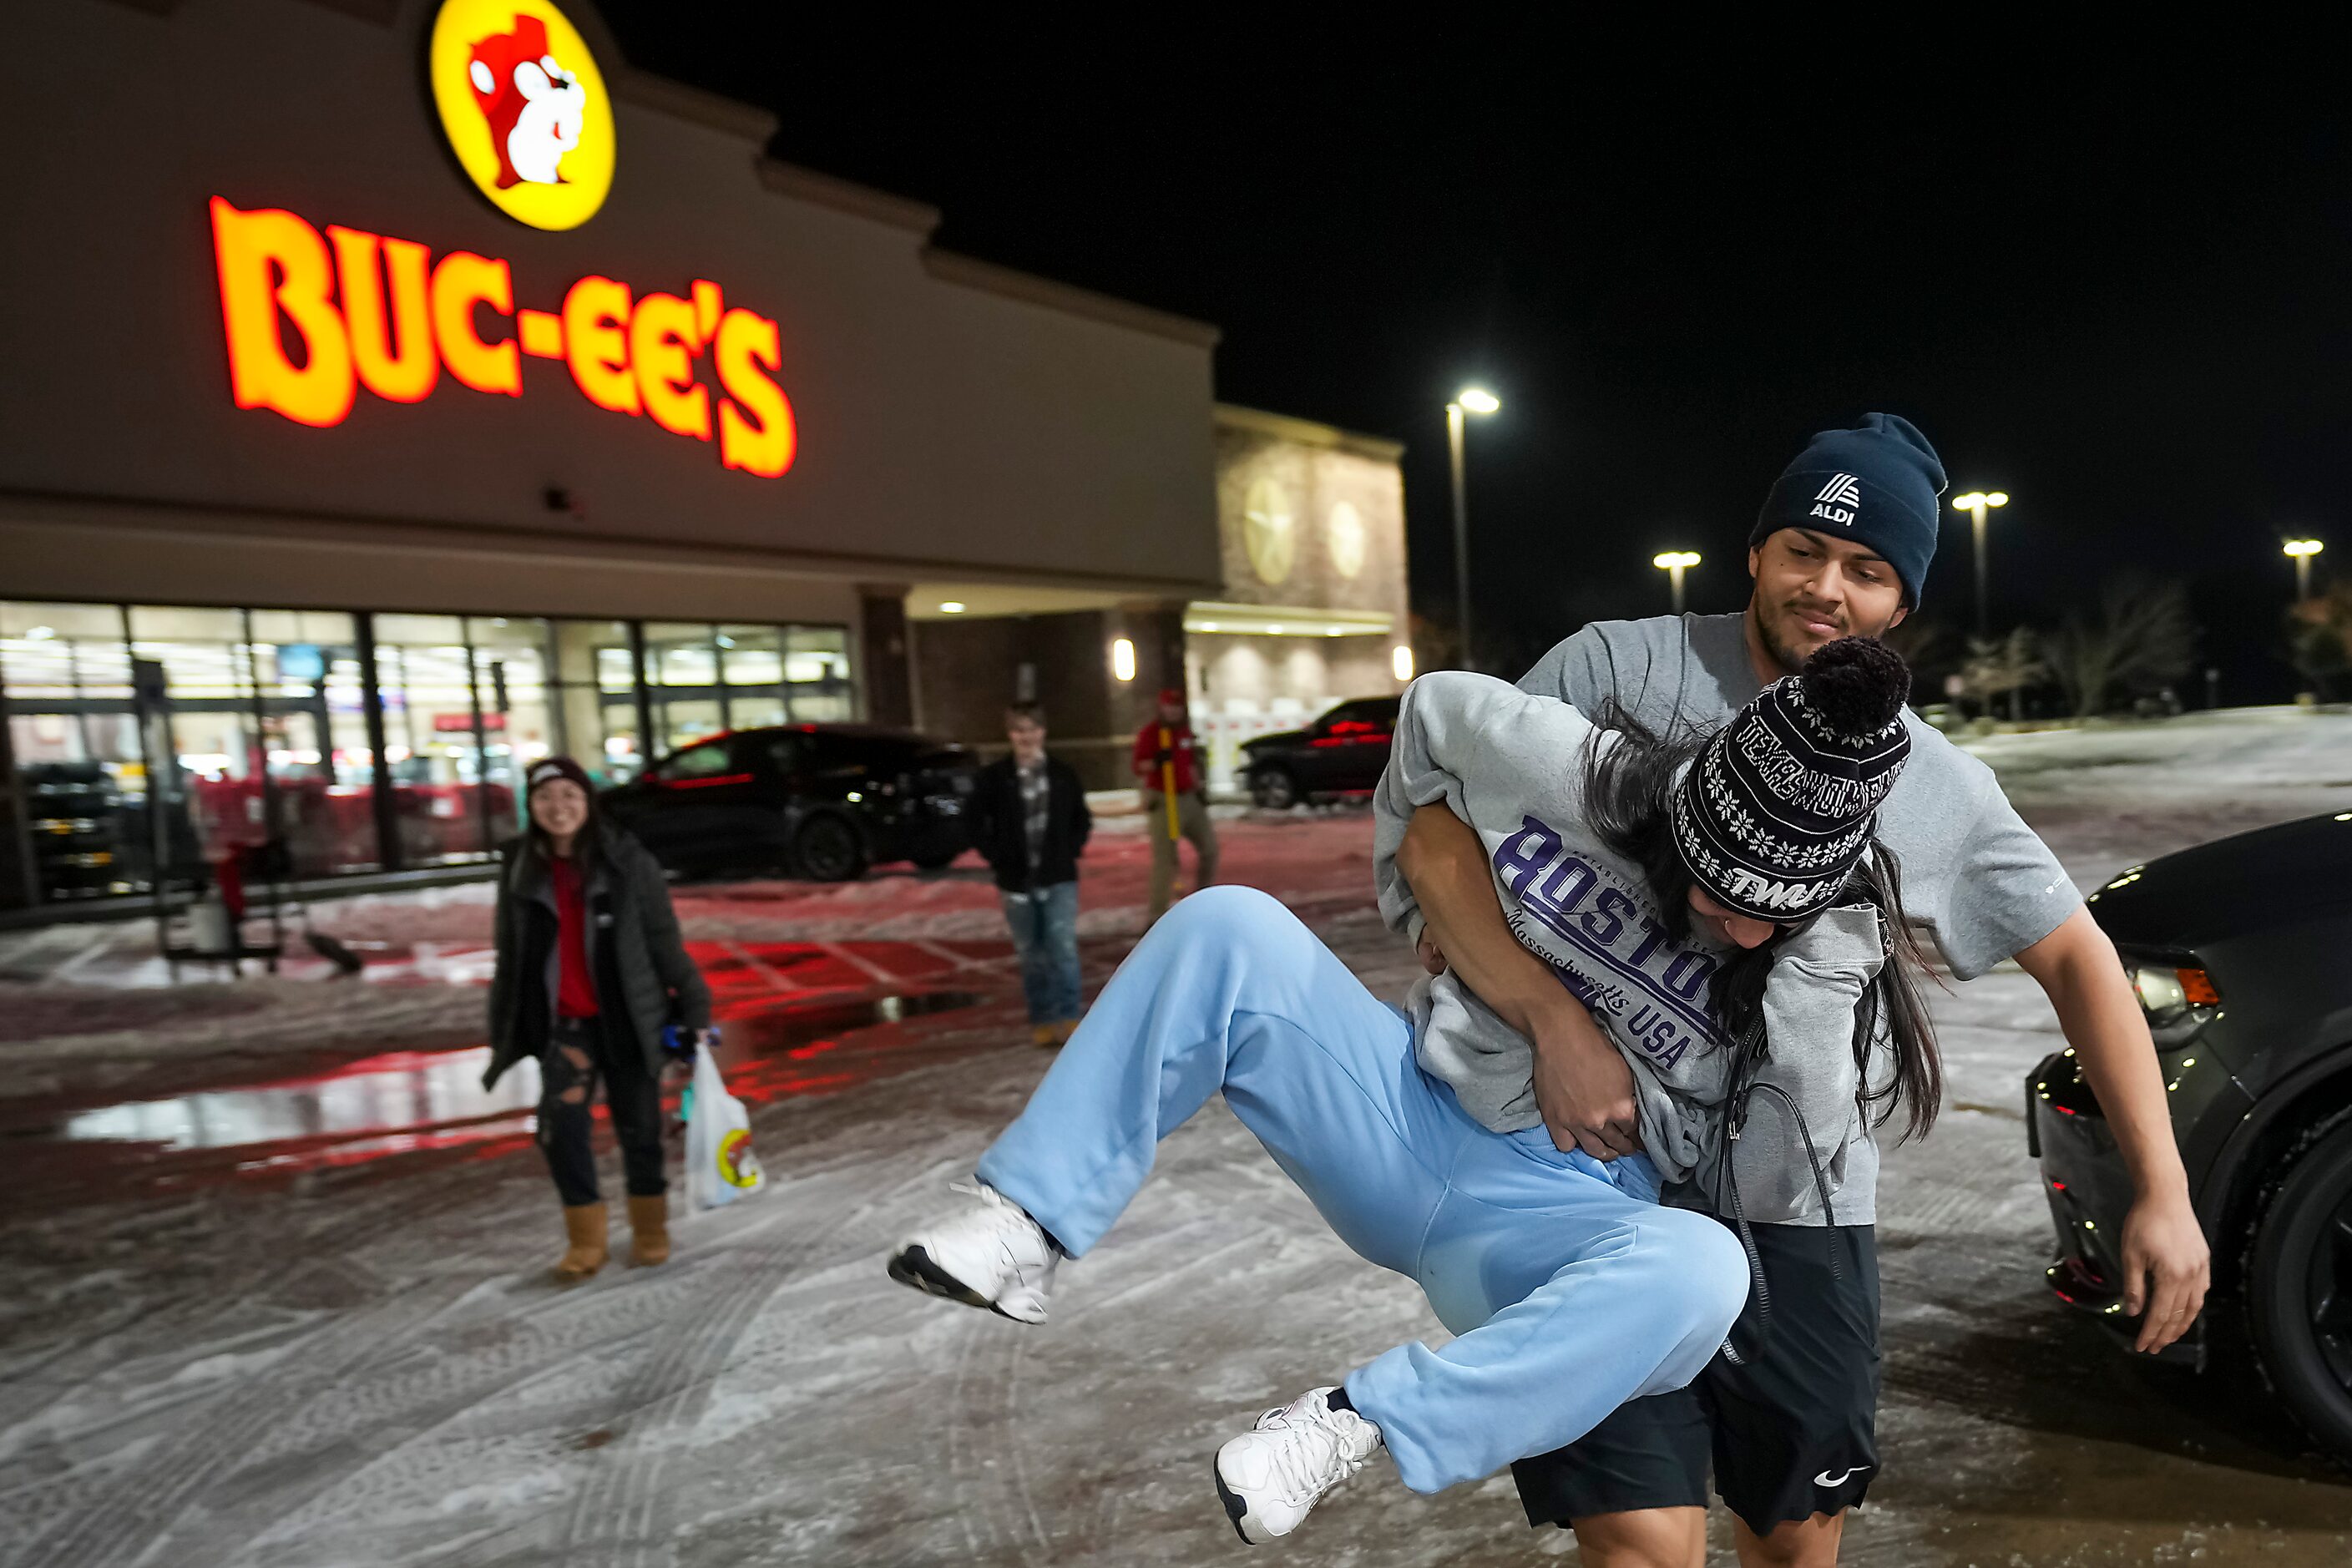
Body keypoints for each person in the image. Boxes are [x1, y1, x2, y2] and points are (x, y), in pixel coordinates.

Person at [886, 640, 1930, 1545]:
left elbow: (1782, 1179)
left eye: (1770, 912)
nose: (1735, 922)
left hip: (1553, 1218)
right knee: (1230, 926)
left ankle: (1357, 1422)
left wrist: (1820, 971)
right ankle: (1030, 1222)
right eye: (1715, 885)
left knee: (1704, 1270)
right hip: (1401, 1110)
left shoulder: (1812, 988)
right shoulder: (1578, 775)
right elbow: (1430, 718)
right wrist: (1455, 928)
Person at [1397, 413, 2213, 1567]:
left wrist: (2164, 1188)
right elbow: (1438, 839)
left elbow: (2079, 957)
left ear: (1901, 605)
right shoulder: (1607, 670)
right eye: (1804, 550)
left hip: (1801, 1209)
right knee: (1641, 1544)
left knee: (1792, 1541)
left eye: (1866, 570)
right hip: (1600, 1180)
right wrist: (1546, 1015)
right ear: (1755, 550)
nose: (1825, 588)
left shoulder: (1927, 781)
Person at [484, 756, 714, 1282]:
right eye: (545, 798)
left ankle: (650, 1229)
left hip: (627, 1017)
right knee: (560, 1128)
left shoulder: (626, 860)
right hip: (564, 1025)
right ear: (531, 806)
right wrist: (503, 1024)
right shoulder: (521, 864)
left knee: (638, 1129)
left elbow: (662, 938)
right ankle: (585, 1239)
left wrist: (695, 1003)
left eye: (569, 796)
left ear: (588, 803)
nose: (558, 808)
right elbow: (510, 951)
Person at [969, 701, 1093, 1048]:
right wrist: (996, 855)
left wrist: (1071, 849)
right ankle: (1043, 1018)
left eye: (1032, 729)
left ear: (1043, 732)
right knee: (1031, 953)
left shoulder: (1063, 775)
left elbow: (1080, 819)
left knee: (1063, 949)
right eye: (1019, 730)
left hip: (1058, 877)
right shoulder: (995, 778)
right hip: (1016, 880)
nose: (1026, 736)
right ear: (1010, 734)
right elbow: (974, 821)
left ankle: (1070, 1016)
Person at [1132, 687, 1217, 922]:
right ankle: (1156, 916)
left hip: (1188, 797)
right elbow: (1139, 766)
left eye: (1177, 707)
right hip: (1163, 799)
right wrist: (1158, 761)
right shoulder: (1152, 734)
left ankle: (1203, 901)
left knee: (1210, 849)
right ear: (1162, 707)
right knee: (1166, 860)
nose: (1173, 711)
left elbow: (1188, 763)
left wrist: (1198, 789)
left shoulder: (1184, 733)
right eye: (1169, 706)